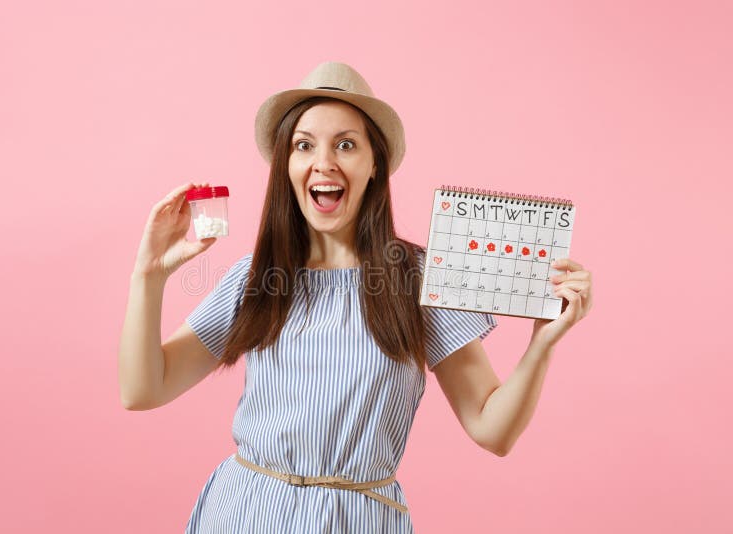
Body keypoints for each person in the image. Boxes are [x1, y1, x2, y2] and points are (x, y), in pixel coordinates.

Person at [118, 61, 593, 533]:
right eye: (304, 145)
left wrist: (541, 346)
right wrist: (149, 276)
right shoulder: (256, 279)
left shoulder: (421, 279)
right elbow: (143, 390)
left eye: (346, 144)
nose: (324, 162)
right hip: (243, 514)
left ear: (374, 166)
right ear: (288, 166)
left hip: (359, 518)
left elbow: (494, 431)